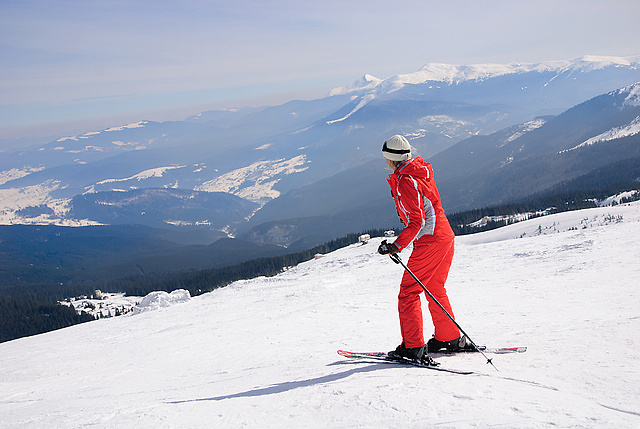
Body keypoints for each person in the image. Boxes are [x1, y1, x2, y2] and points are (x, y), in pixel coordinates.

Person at [377, 135, 470, 362]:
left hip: (430, 240)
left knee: (408, 293)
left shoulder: (406, 180)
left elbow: (417, 221)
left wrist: (397, 246)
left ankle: (413, 347)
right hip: (444, 235)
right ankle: (448, 337)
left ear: (390, 158)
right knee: (434, 286)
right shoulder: (419, 171)